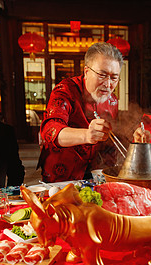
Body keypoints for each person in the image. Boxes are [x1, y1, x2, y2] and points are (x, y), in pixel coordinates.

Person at [38, 42, 124, 182]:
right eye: (102, 75)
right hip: (62, 177)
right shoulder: (65, 91)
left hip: (96, 175)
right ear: (86, 71)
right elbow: (50, 130)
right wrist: (87, 135)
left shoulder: (112, 100)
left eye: (114, 77)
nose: (108, 85)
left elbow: (110, 140)